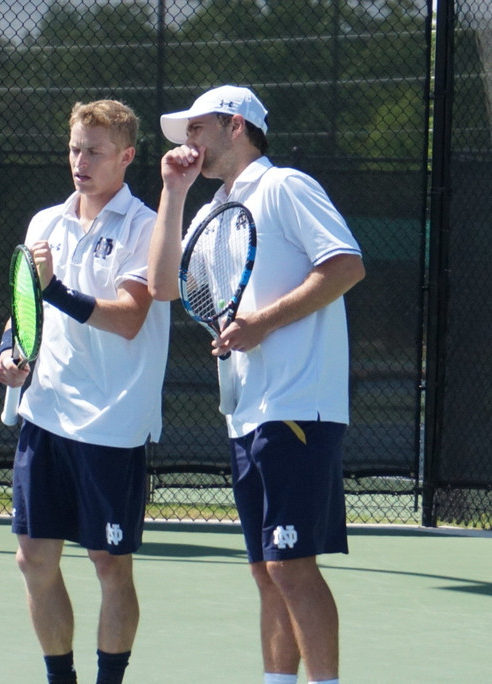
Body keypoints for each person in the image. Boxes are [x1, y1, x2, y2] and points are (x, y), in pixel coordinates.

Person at [148, 85, 364, 684]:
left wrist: (262, 323)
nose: (189, 142)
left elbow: (346, 265)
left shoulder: (286, 187)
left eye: (197, 128)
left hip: (298, 405)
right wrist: (172, 191)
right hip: (246, 412)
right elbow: (164, 286)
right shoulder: (210, 211)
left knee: (291, 565)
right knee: (266, 570)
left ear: (236, 125)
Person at [0, 99, 169, 684]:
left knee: (109, 564)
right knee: (33, 559)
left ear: (126, 156)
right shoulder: (44, 223)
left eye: (94, 151)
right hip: (45, 415)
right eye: (74, 149)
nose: (80, 161)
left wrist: (55, 290)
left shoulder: (145, 228)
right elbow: (25, 308)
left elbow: (130, 317)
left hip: (113, 424)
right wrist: (9, 351)